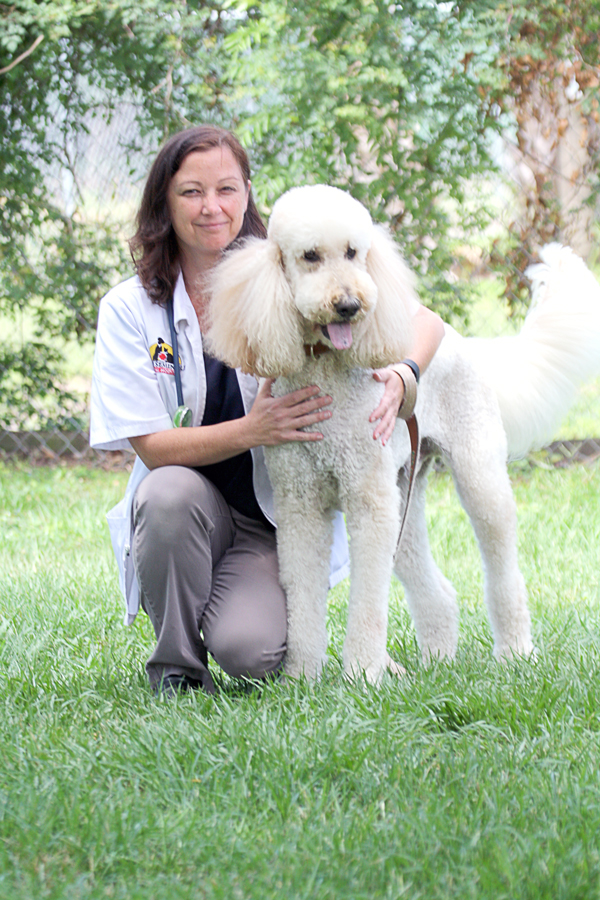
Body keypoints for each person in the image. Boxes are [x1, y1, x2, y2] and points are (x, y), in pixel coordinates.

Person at [90, 124, 444, 697]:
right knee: (167, 495)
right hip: (186, 507)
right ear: (164, 201)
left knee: (253, 652)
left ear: (247, 193)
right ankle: (178, 669)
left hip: (268, 518)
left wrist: (406, 373)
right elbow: (151, 447)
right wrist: (254, 429)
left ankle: (232, 614)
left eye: (227, 189)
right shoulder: (131, 309)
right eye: (191, 192)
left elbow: (425, 320)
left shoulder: (289, 265)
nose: (211, 208)